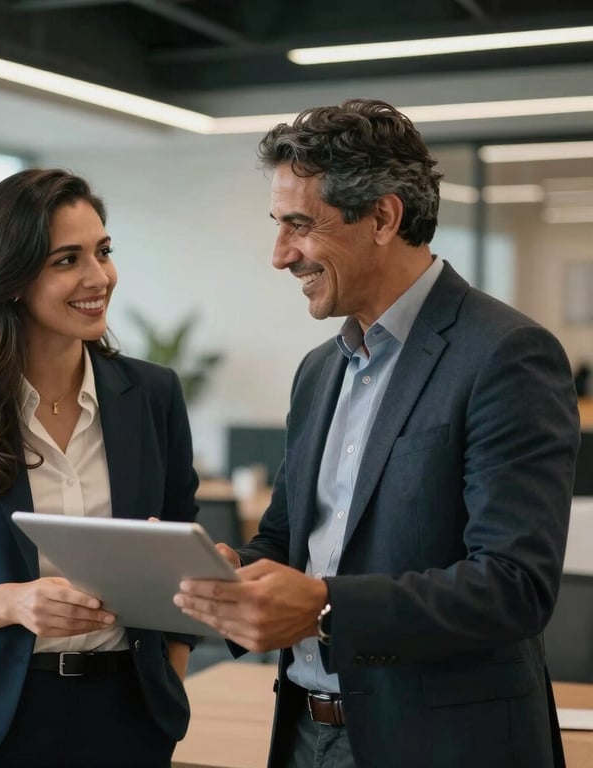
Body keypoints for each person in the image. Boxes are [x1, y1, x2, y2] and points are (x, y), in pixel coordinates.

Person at [175, 99, 580, 768]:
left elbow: (514, 586)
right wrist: (228, 575)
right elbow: (288, 543)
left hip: (442, 745)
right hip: (305, 732)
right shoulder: (318, 372)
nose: (280, 256)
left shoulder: (506, 354)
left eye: (300, 225)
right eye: (278, 226)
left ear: (384, 217)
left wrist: (326, 610)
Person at [0, 168, 198, 768]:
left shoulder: (152, 396)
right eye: (67, 260)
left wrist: (170, 676)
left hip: (126, 718)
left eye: (103, 251)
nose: (98, 277)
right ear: (14, 279)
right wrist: (15, 603)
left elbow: (182, 549)